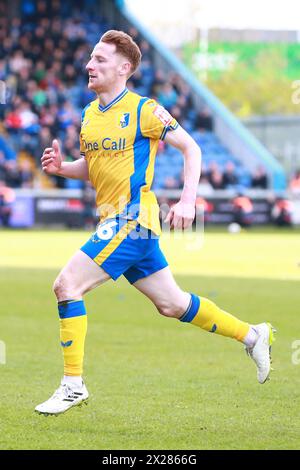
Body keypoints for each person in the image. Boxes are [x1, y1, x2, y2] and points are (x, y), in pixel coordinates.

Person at [35, 30, 276, 416]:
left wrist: (187, 199)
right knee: (173, 304)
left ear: (124, 67)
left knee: (67, 285)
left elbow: (191, 148)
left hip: (133, 217)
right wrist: (63, 168)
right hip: (119, 221)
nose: (88, 65)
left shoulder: (145, 110)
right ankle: (253, 334)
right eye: (91, 58)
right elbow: (96, 168)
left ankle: (72, 385)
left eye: (99, 59)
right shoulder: (88, 115)